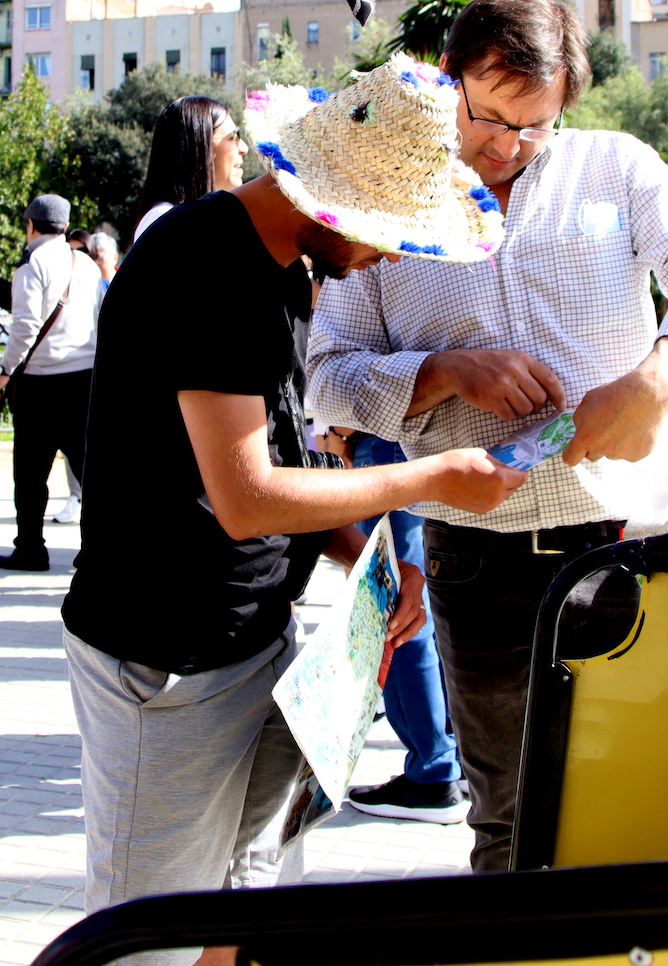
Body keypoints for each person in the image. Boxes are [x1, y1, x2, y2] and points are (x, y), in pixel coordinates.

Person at [62, 64, 526, 954]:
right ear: (331, 202)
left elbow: (268, 457)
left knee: (238, 909)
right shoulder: (210, 266)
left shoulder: (267, 260)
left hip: (245, 640)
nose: (391, 255)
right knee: (139, 939)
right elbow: (246, 498)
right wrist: (427, 482)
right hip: (166, 659)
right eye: (388, 231)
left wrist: (361, 552)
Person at [307, 0, 668, 873]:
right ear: (450, 80)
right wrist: (443, 370)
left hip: (626, 543)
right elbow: (328, 375)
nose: (506, 147)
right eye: (488, 117)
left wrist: (660, 377)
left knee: (641, 803)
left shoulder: (617, 168)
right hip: (477, 560)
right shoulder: (388, 192)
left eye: (535, 126)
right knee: (509, 821)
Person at [338, 432, 467, 824]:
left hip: (386, 442)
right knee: (417, 602)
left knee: (397, 611)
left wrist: (338, 430)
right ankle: (449, 760)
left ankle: (433, 771)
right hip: (415, 443)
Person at [0, 194, 104, 572]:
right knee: (92, 471)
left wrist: (4, 370)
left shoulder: (32, 262)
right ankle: (104, 549)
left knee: (31, 475)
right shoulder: (84, 264)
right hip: (85, 381)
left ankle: (31, 549)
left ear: (31, 225)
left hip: (41, 383)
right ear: (65, 226)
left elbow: (24, 326)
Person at [130, 95, 247, 245]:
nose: (244, 148)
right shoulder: (164, 220)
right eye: (232, 138)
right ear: (199, 148)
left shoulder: (206, 220)